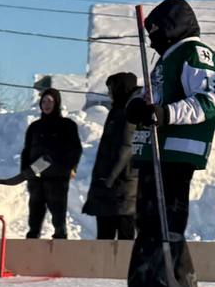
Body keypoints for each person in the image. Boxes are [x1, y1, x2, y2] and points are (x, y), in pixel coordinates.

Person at [123, 0, 215, 287]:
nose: (151, 39)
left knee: (160, 224)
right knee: (155, 222)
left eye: (155, 31)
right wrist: (139, 106)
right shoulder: (166, 59)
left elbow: (207, 103)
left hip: (176, 153)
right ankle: (178, 283)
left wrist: (163, 114)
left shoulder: (195, 53)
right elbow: (154, 100)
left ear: (171, 26)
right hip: (156, 152)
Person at [82, 72, 140, 240]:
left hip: (121, 187)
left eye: (111, 89)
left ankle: (124, 267)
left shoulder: (128, 111)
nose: (109, 93)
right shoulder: (117, 111)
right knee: (105, 238)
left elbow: (125, 148)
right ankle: (106, 267)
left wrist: (107, 179)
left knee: (124, 237)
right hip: (112, 188)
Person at [21, 88, 82, 240]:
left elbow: (75, 149)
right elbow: (26, 151)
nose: (46, 104)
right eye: (44, 101)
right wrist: (25, 172)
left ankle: (60, 241)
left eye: (50, 101)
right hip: (36, 176)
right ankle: (31, 242)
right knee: (34, 213)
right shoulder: (34, 127)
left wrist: (71, 167)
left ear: (57, 103)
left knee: (58, 215)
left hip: (57, 177)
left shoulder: (67, 125)